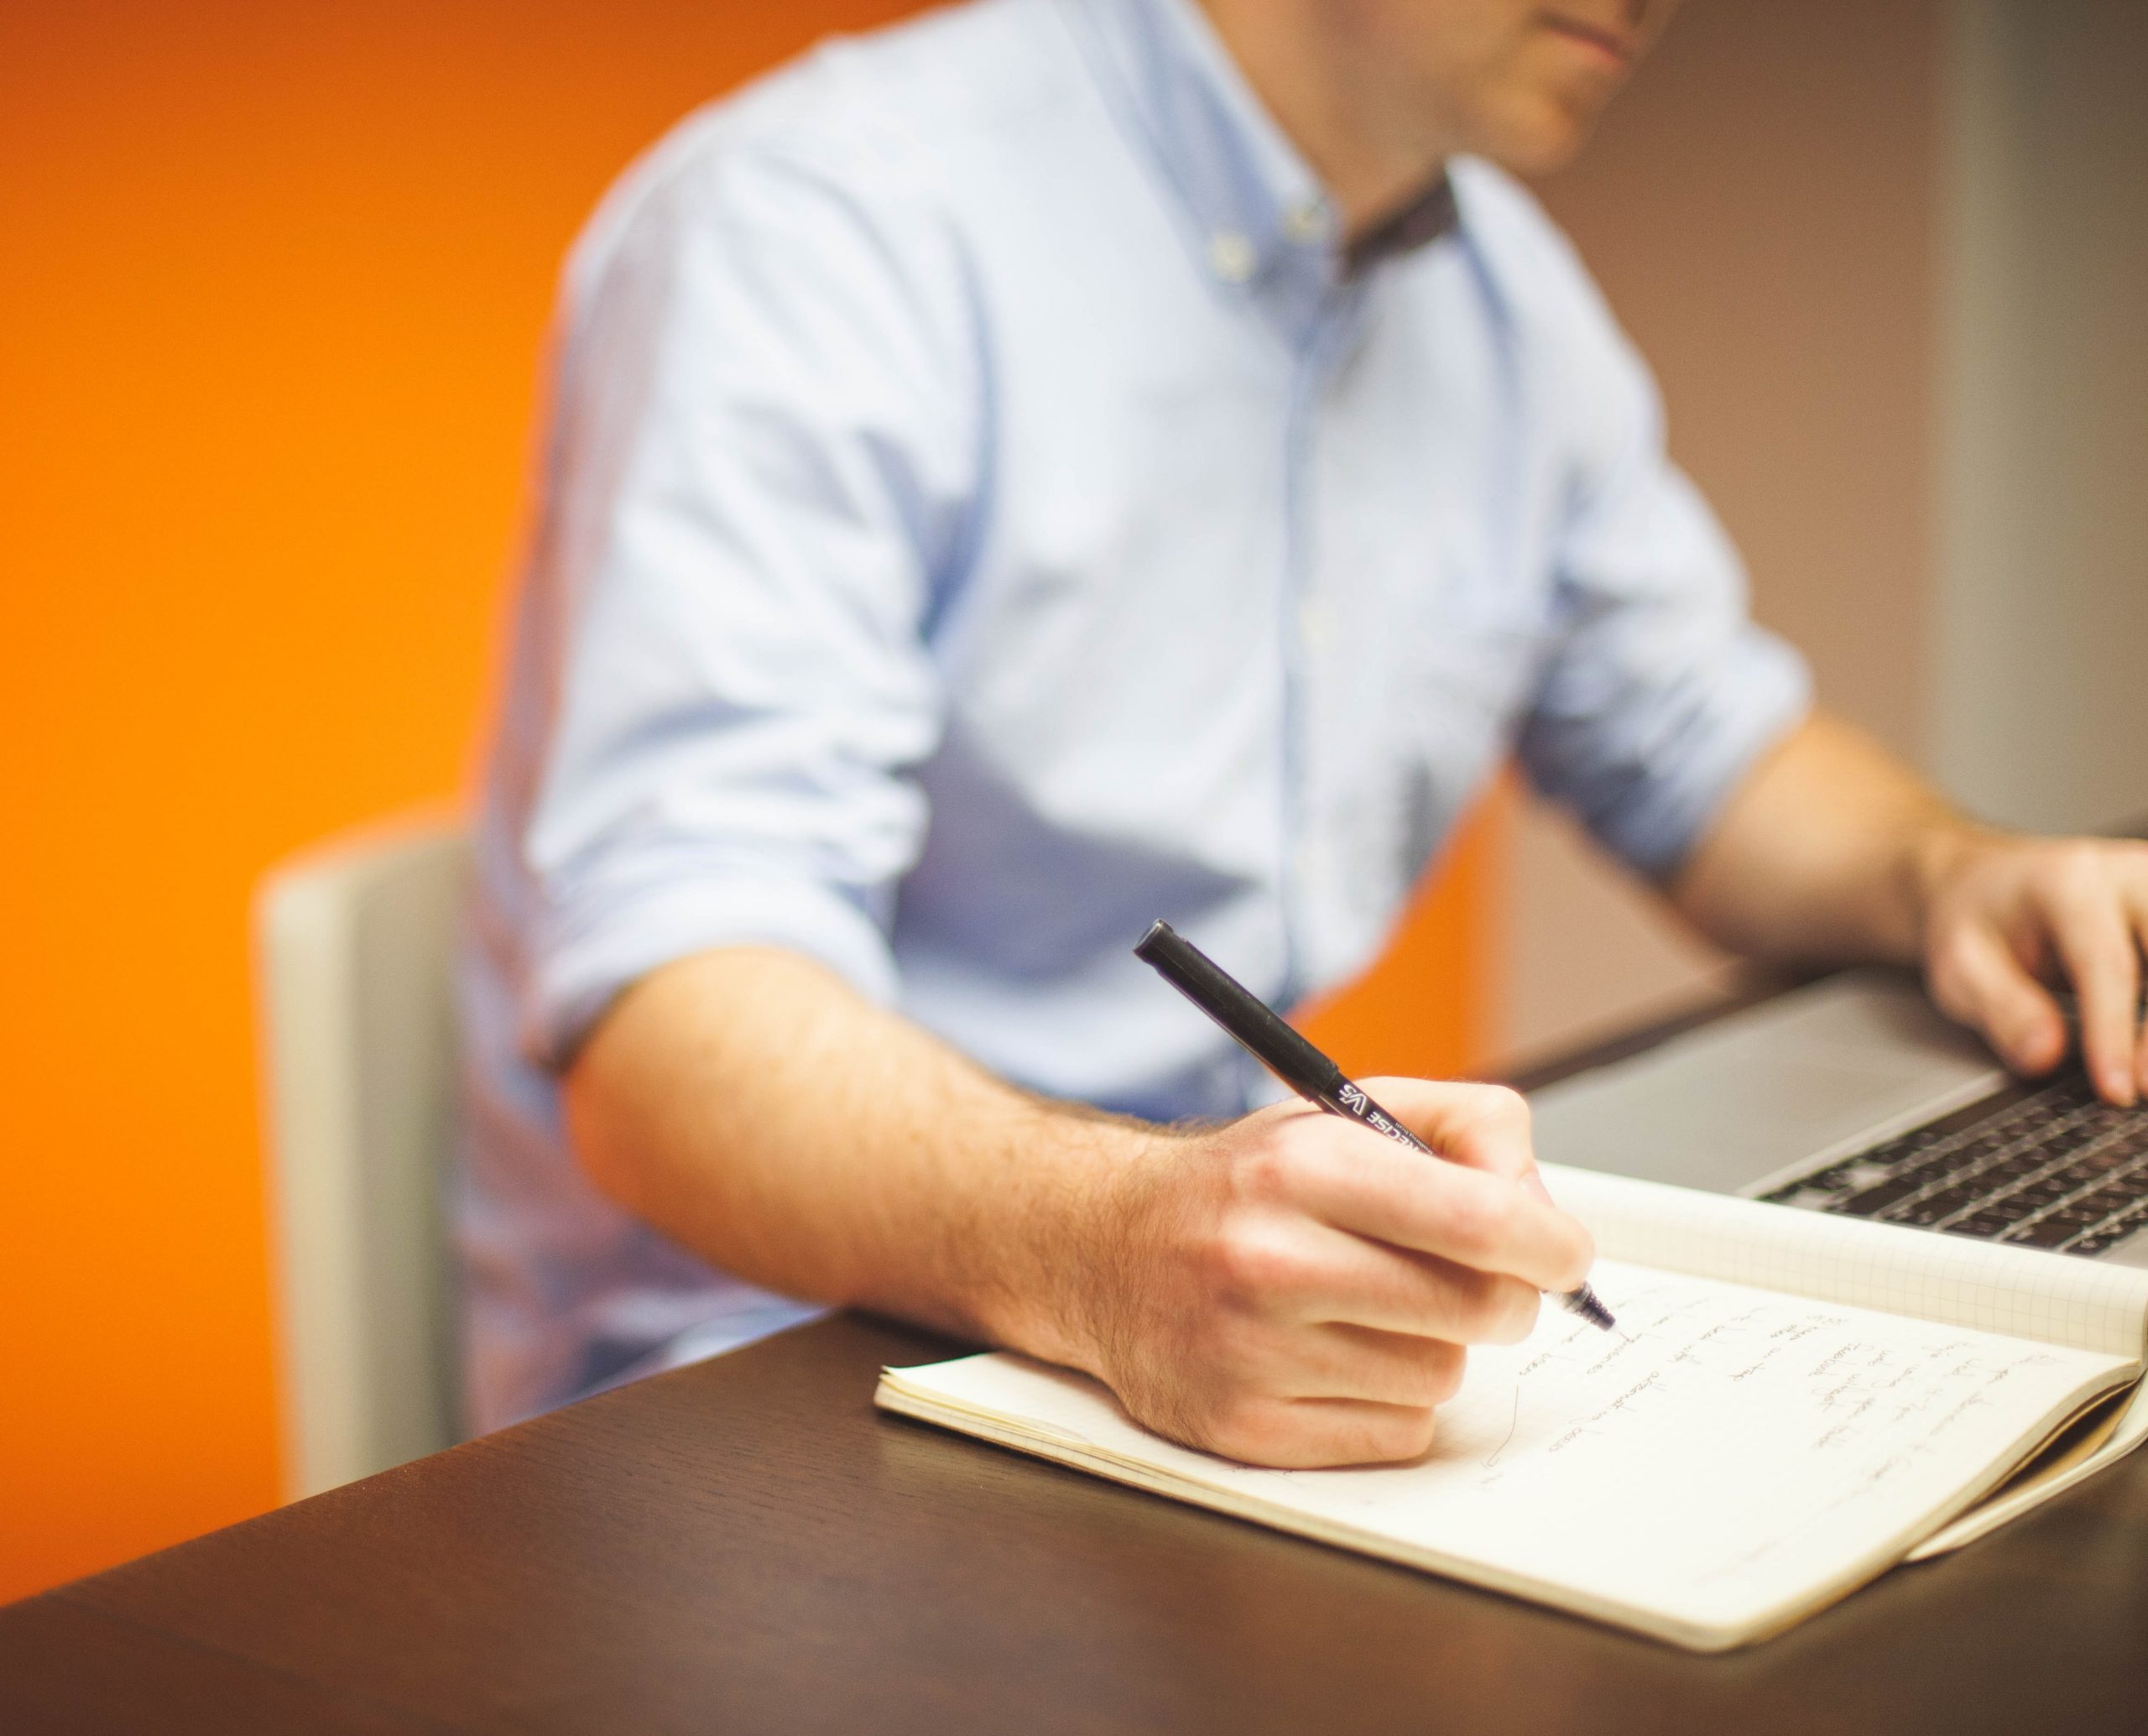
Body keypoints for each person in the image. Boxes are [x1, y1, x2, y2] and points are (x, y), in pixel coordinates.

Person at [458, 0, 2148, 1464]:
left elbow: (1697, 745)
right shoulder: (821, 227)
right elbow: (668, 1041)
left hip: (1197, 1322)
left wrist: (1944, 875)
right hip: (764, 1399)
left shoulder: (1494, 298)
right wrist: (1107, 1250)